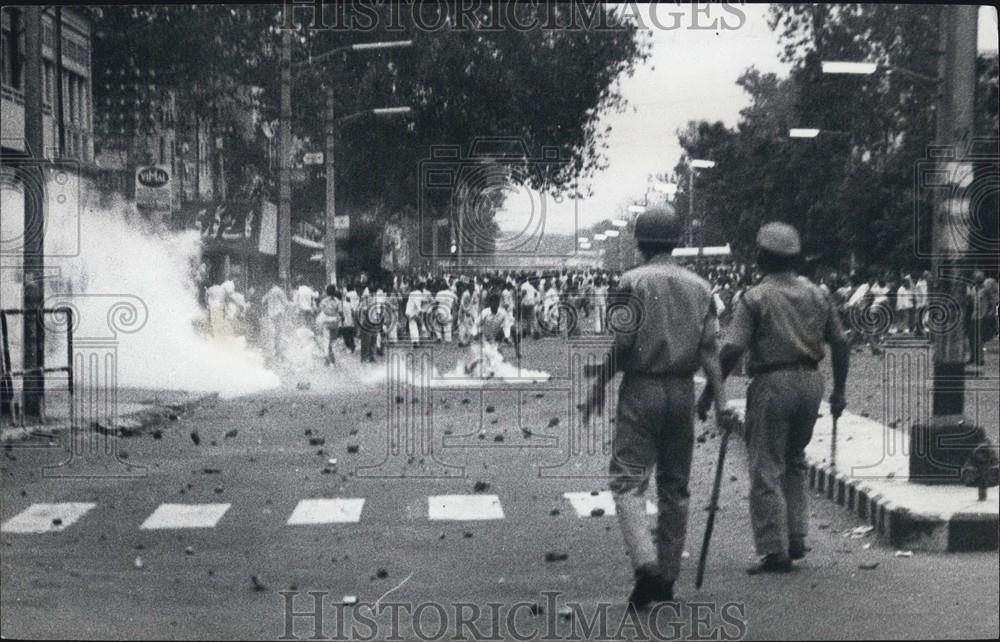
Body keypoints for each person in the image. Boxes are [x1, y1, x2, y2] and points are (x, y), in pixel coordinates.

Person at [581, 205, 730, 609]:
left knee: (628, 480)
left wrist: (599, 386)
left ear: (639, 241)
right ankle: (666, 578)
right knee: (675, 487)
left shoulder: (630, 281)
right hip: (682, 390)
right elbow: (710, 351)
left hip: (641, 389)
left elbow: (624, 344)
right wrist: (719, 401)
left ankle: (645, 563)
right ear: (678, 241)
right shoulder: (701, 287)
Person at [697, 222, 849, 575]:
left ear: (761, 258)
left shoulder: (755, 297)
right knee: (794, 459)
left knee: (766, 466)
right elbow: (840, 342)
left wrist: (709, 393)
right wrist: (839, 390)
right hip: (811, 381)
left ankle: (773, 549)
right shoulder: (818, 293)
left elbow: (733, 347)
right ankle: (796, 536)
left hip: (772, 381)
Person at [967, 270, 1000, 367]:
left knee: (979, 338)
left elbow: (993, 301)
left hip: (982, 316)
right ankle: (973, 356)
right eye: (976, 278)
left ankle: (980, 359)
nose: (977, 280)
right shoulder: (973, 290)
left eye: (979, 278)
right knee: (970, 337)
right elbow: (970, 301)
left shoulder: (985, 290)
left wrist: (991, 311)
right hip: (974, 316)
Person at [261, 281, 290, 361]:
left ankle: (272, 352)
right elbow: (286, 304)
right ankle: (279, 353)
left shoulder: (270, 292)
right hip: (279, 314)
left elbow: (262, 301)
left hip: (271, 315)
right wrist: (286, 311)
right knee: (279, 333)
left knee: (272, 333)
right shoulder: (279, 291)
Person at [316, 285, 342, 365]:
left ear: (327, 292)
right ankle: (331, 356)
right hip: (334, 323)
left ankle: (328, 357)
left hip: (326, 323)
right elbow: (340, 312)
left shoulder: (324, 301)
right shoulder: (338, 301)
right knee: (331, 341)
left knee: (326, 341)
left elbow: (319, 310)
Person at [913, 271, 929, 337]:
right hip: (921, 303)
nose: (926, 276)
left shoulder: (924, 283)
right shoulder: (919, 284)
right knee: (920, 317)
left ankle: (920, 331)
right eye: (925, 275)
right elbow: (923, 294)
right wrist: (923, 303)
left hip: (923, 302)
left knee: (923, 317)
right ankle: (918, 331)